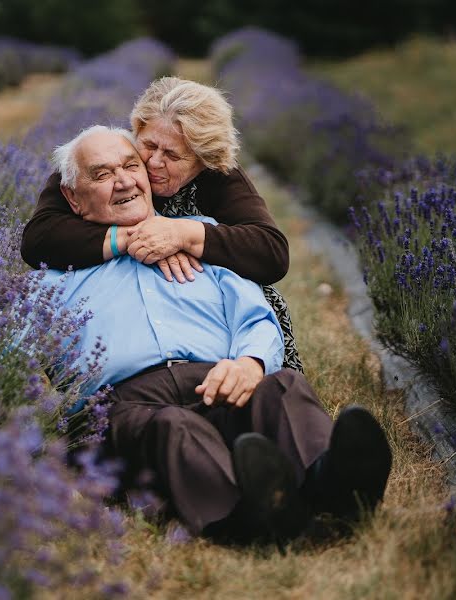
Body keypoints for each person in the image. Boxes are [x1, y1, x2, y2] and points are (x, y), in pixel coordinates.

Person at [44, 125, 393, 542]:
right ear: (72, 198)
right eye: (101, 175)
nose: (123, 181)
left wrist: (249, 363)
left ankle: (334, 482)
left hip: (217, 378)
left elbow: (255, 317)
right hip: (127, 403)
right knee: (172, 427)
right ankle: (251, 516)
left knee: (280, 387)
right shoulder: (54, 279)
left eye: (130, 166)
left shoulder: (201, 235)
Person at [20, 77, 303, 372]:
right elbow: (39, 239)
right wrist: (135, 237)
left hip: (211, 310)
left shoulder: (219, 176)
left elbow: (271, 252)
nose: (154, 162)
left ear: (202, 160)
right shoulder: (106, 163)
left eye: (171, 155)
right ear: (137, 130)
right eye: (149, 145)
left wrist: (185, 234)